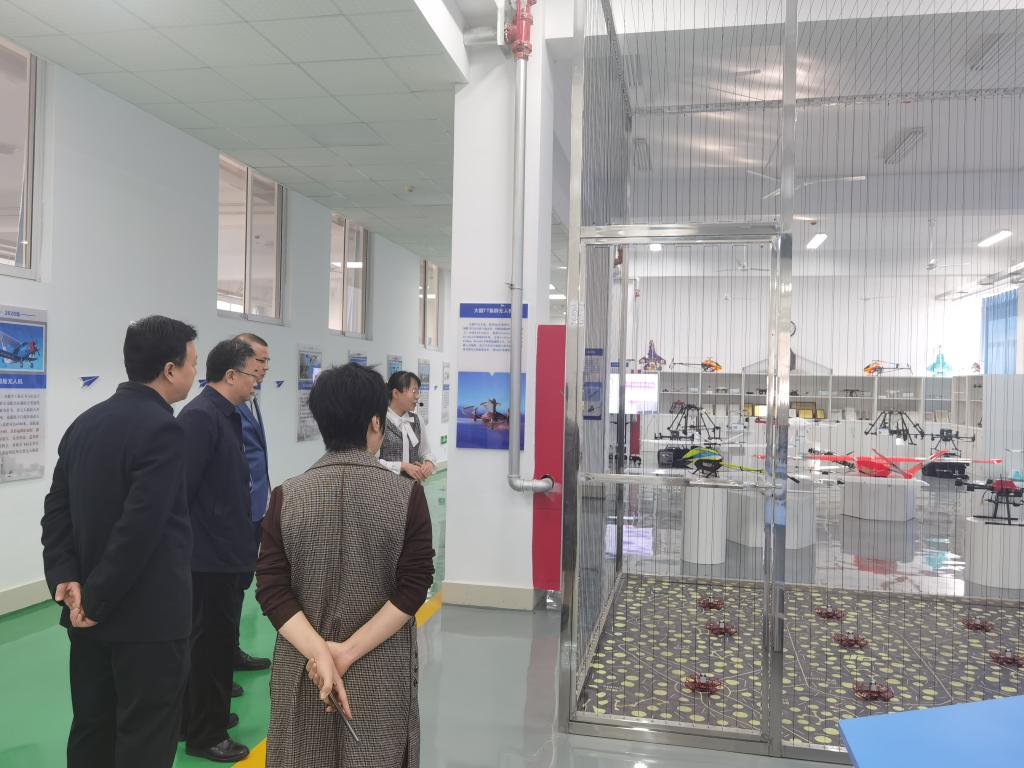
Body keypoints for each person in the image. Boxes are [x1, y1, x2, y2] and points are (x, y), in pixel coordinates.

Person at [256, 363, 434, 768]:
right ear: (375, 422)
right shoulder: (406, 497)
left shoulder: (286, 495)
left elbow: (271, 588)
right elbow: (414, 586)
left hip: (305, 668)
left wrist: (320, 653)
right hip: (380, 667)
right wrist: (345, 653)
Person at [40, 315, 198, 768]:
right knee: (145, 736)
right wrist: (99, 599)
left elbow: (56, 509)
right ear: (170, 370)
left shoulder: (84, 424)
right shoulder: (164, 430)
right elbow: (140, 528)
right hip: (145, 622)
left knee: (92, 728)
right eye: (192, 363)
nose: (195, 372)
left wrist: (66, 577)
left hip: (85, 615)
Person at [178, 339, 262, 763]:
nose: (256, 381)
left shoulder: (225, 415)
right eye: (251, 374)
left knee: (213, 644)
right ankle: (205, 734)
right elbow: (182, 491)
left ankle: (198, 717)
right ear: (230, 375)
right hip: (208, 558)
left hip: (225, 552)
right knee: (209, 646)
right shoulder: (200, 418)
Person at [231, 333, 273, 684]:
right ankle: (216, 664)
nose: (265, 367)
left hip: (255, 511)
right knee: (226, 592)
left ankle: (230, 651)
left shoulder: (251, 400)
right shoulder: (228, 407)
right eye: (260, 360)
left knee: (239, 586)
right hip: (237, 515)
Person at [379, 371, 436, 482]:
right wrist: (403, 466)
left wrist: (429, 463)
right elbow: (372, 461)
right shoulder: (379, 421)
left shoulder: (417, 420)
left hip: (413, 488)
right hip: (386, 487)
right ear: (396, 393)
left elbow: (425, 452)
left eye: (418, 392)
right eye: (414, 391)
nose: (417, 396)